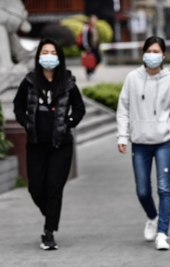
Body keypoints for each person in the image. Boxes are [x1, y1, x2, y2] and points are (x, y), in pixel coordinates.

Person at [13, 38, 86, 250]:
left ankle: (49, 232)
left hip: (60, 145)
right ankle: (50, 214)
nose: (49, 57)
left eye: (53, 53)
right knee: (35, 188)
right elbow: (18, 107)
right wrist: (27, 123)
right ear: (38, 57)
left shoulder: (68, 82)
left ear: (59, 57)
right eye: (45, 52)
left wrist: (68, 123)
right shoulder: (29, 81)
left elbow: (79, 109)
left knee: (54, 188)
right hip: (36, 143)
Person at [116, 36, 170, 251]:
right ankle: (152, 217)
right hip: (140, 142)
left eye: (157, 51)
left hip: (165, 141)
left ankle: (162, 233)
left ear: (164, 55)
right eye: (149, 51)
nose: (152, 55)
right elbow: (123, 108)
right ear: (143, 53)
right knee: (143, 190)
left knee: (164, 188)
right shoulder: (132, 78)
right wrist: (122, 136)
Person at [82, 15, 101, 80]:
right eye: (93, 19)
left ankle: (92, 72)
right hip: (90, 47)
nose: (95, 21)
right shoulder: (87, 27)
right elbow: (85, 38)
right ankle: (89, 73)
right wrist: (87, 46)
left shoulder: (95, 27)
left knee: (97, 59)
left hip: (95, 47)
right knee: (89, 60)